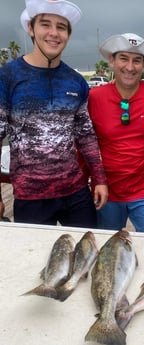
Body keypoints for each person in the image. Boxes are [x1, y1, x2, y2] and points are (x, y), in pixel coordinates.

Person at [0, 0, 108, 227]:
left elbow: (85, 135)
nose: (53, 33)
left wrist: (99, 178)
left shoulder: (76, 81)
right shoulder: (7, 78)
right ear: (31, 28)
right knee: (33, 259)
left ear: (68, 34)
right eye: (45, 24)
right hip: (30, 197)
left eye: (61, 27)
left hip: (75, 191)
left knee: (87, 253)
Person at [81, 33, 144, 233]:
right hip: (107, 191)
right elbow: (84, 144)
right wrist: (87, 182)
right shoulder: (94, 97)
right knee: (108, 248)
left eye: (137, 60)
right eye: (123, 59)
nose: (130, 67)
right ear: (111, 61)